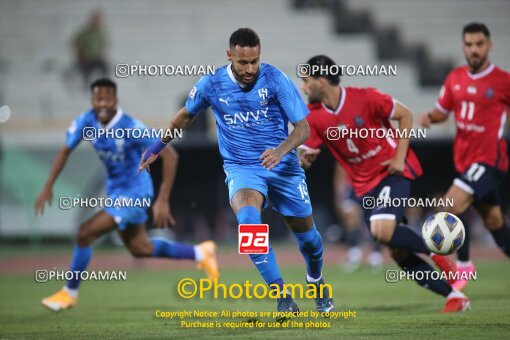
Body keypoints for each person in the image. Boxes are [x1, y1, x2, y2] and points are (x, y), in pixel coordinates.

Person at [139, 28, 334, 319]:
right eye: (243, 62)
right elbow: (185, 115)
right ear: (230, 56)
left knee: (309, 239)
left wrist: (281, 151)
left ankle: (316, 282)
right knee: (248, 223)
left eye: (254, 61)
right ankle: (282, 296)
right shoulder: (212, 84)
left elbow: (303, 128)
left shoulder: (275, 79)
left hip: (283, 168)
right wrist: (157, 145)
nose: (250, 69)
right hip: (242, 168)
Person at [298, 55, 470, 313]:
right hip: (365, 186)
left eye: (306, 80)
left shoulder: (365, 97)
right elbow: (306, 154)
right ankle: (454, 296)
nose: (303, 87)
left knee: (381, 230)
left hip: (392, 171)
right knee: (397, 252)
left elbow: (405, 115)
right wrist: (304, 159)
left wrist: (399, 158)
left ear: (321, 81)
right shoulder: (313, 116)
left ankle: (438, 250)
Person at [36, 78, 218, 312]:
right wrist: (48, 185)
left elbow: (170, 155)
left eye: (107, 99)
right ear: (93, 100)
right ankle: (201, 252)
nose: (102, 103)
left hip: (136, 193)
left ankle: (69, 293)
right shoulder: (85, 122)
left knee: (84, 233)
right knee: (140, 248)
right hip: (116, 194)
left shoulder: (130, 127)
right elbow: (65, 150)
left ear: (115, 101)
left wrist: (162, 200)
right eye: (97, 99)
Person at [418, 22, 510, 290]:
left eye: (479, 44)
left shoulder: (503, 81)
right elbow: (442, 111)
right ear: (463, 46)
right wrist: (428, 118)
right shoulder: (455, 78)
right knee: (494, 221)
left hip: (490, 161)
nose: (474, 50)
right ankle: (466, 264)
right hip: (465, 162)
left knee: (448, 206)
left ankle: (463, 268)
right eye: (469, 45)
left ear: (489, 46)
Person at [333, 164, 383, 271]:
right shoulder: (346, 149)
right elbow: (340, 172)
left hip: (373, 187)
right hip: (353, 188)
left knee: (375, 218)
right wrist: (339, 196)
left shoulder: (377, 149)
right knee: (349, 214)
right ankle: (354, 252)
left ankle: (376, 254)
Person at [72, 11, 109, 88]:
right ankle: (85, 85)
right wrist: (81, 54)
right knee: (85, 72)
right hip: (85, 59)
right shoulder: (84, 33)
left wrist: (102, 54)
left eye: (98, 21)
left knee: (105, 68)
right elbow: (75, 44)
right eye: (95, 20)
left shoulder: (100, 33)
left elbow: (104, 45)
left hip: (96, 58)